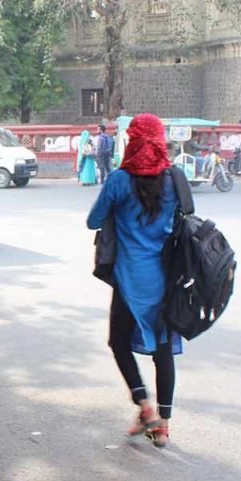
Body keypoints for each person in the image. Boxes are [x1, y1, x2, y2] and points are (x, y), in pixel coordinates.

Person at [86, 113, 180, 448]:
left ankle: (145, 407)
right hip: (167, 279)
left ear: (132, 141)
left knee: (118, 343)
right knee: (163, 350)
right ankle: (163, 424)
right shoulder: (174, 178)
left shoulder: (119, 180)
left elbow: (92, 220)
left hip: (129, 279)